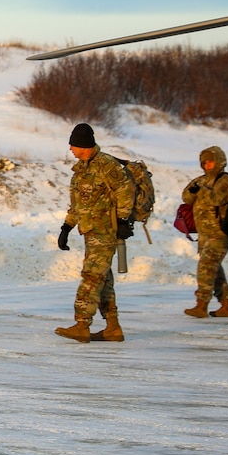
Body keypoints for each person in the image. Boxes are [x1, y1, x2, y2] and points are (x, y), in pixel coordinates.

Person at [54, 122, 135, 343]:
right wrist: (66, 227)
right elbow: (77, 205)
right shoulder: (81, 170)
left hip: (106, 232)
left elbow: (126, 190)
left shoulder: (106, 165)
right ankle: (112, 328)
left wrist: (123, 220)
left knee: (91, 277)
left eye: (72, 144)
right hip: (91, 232)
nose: (70, 148)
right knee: (103, 281)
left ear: (82, 144)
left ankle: (82, 324)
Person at [180, 145, 228, 318]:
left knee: (206, 266)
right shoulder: (201, 179)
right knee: (214, 268)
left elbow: (218, 199)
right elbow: (186, 197)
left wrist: (202, 190)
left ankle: (202, 304)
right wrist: (193, 191)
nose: (207, 165)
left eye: (211, 162)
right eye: (204, 162)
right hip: (204, 233)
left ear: (219, 161)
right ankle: (226, 304)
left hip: (220, 233)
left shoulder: (224, 180)